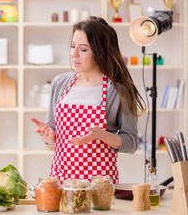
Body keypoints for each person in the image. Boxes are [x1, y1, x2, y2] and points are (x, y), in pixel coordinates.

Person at [31, 16, 146, 184]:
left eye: (83, 49)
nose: (74, 54)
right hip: (61, 179)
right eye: (72, 46)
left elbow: (132, 142)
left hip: (99, 184)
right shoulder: (60, 83)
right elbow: (53, 135)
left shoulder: (119, 90)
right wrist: (47, 136)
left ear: (101, 51)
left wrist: (101, 135)